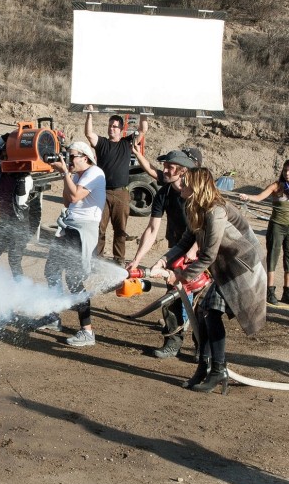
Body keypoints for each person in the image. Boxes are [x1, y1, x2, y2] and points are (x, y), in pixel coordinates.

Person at [149, 168, 266, 393]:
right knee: (203, 313)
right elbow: (185, 242)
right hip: (225, 265)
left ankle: (218, 370)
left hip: (242, 267)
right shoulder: (194, 207)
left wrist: (182, 275)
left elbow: (208, 255)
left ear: (197, 187)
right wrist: (162, 262)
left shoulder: (216, 211)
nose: (180, 185)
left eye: (185, 182)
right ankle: (203, 368)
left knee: (211, 312)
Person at [126, 148, 200, 358]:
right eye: (165, 165)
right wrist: (136, 260)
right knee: (172, 298)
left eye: (170, 167)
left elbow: (208, 228)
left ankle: (203, 349)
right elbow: (151, 229)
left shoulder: (196, 193)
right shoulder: (164, 193)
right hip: (178, 250)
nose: (165, 170)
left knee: (201, 303)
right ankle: (172, 343)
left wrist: (195, 251)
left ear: (183, 171)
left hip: (204, 251)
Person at [39, 141, 106, 347]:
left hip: (82, 230)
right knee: (51, 270)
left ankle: (87, 331)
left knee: (75, 279)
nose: (68, 159)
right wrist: (65, 174)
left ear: (85, 157)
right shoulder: (78, 175)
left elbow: (76, 196)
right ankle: (53, 317)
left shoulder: (95, 172)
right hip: (70, 226)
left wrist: (65, 174)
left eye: (72, 156)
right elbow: (68, 202)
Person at [84, 105, 148, 265]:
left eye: (115, 126)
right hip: (102, 193)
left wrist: (144, 111)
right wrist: (90, 113)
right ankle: (96, 260)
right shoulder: (103, 143)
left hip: (121, 193)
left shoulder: (127, 143)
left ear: (121, 129)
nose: (111, 129)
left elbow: (143, 130)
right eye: (110, 126)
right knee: (99, 228)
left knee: (120, 230)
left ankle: (119, 260)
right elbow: (89, 134)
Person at [0, 134, 41, 280]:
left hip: (19, 227)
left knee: (14, 261)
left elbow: (25, 206)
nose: (2, 159)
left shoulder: (25, 179)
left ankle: (20, 291)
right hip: (4, 223)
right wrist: (10, 136)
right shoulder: (1, 170)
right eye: (2, 156)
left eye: (5, 156)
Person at [238, 159, 289, 305]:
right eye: (285, 170)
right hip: (277, 226)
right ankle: (270, 291)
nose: (287, 173)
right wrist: (248, 197)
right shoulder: (276, 186)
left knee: (288, 260)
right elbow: (259, 197)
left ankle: (287, 292)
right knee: (273, 257)